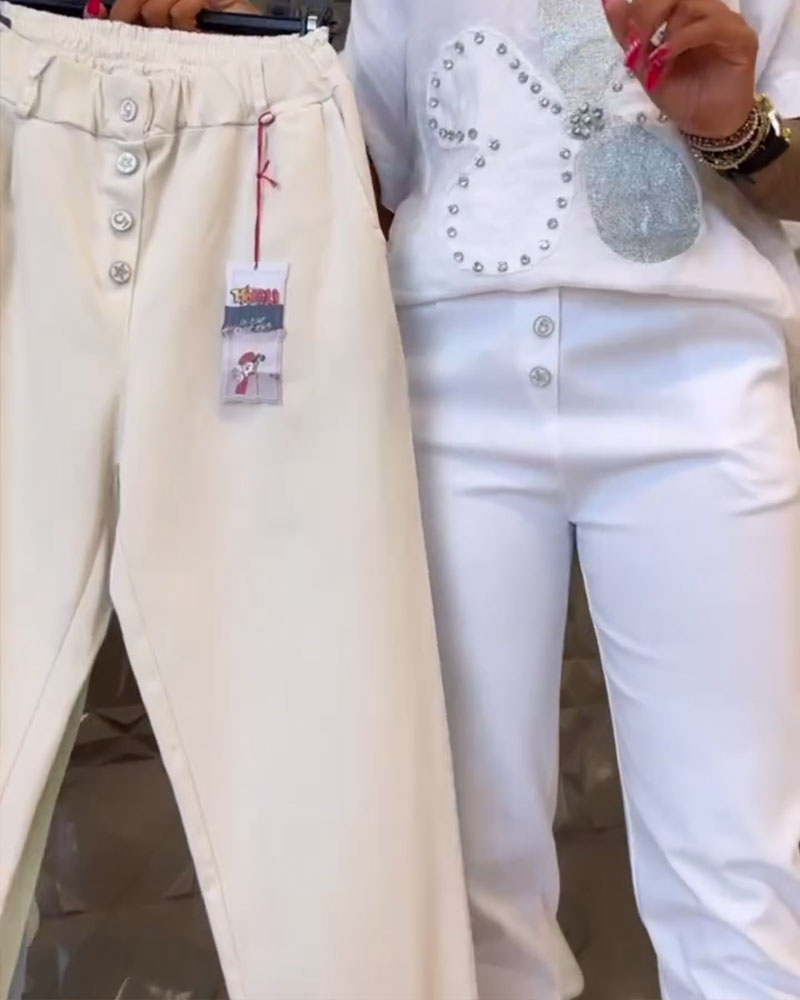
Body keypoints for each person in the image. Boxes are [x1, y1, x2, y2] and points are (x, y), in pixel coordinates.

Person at [86, 0, 800, 996]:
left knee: (737, 866)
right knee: (463, 871)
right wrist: (224, 65)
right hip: (449, 379)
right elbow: (359, 162)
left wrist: (736, 128)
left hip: (696, 374)